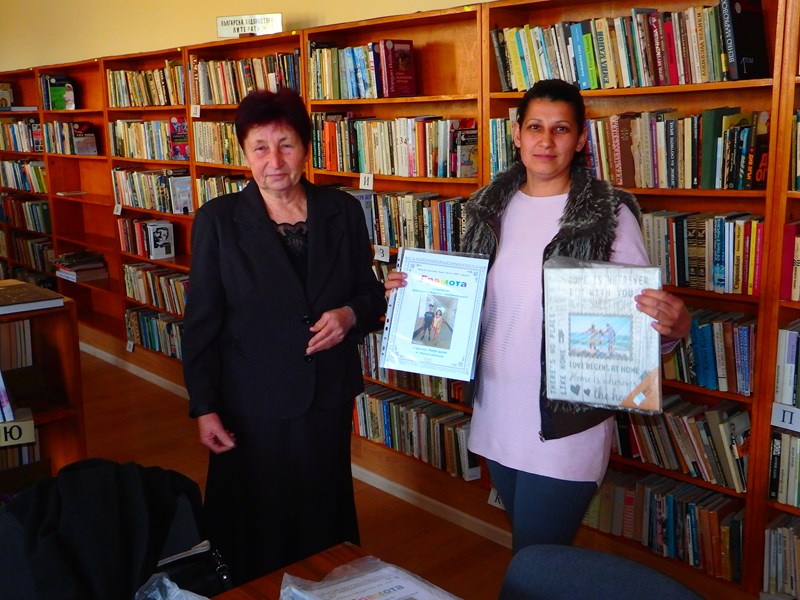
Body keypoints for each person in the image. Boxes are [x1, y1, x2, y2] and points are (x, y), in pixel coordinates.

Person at [385, 79, 690, 553]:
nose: (546, 141)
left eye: (561, 129)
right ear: (517, 133)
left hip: (566, 425)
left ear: (581, 138)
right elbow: (471, 302)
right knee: (529, 551)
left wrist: (674, 329)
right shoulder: (488, 208)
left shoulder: (609, 216)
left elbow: (641, 325)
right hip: (497, 411)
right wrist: (414, 294)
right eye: (535, 127)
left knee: (536, 558)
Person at [182, 88, 386, 585]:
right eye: (260, 147)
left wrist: (349, 315)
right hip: (251, 401)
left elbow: (369, 293)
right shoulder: (218, 220)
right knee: (256, 522)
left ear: (306, 148)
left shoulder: (342, 210)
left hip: (326, 396)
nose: (274, 161)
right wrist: (204, 406)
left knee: (322, 513)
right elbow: (202, 322)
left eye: (286, 145)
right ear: (244, 154)